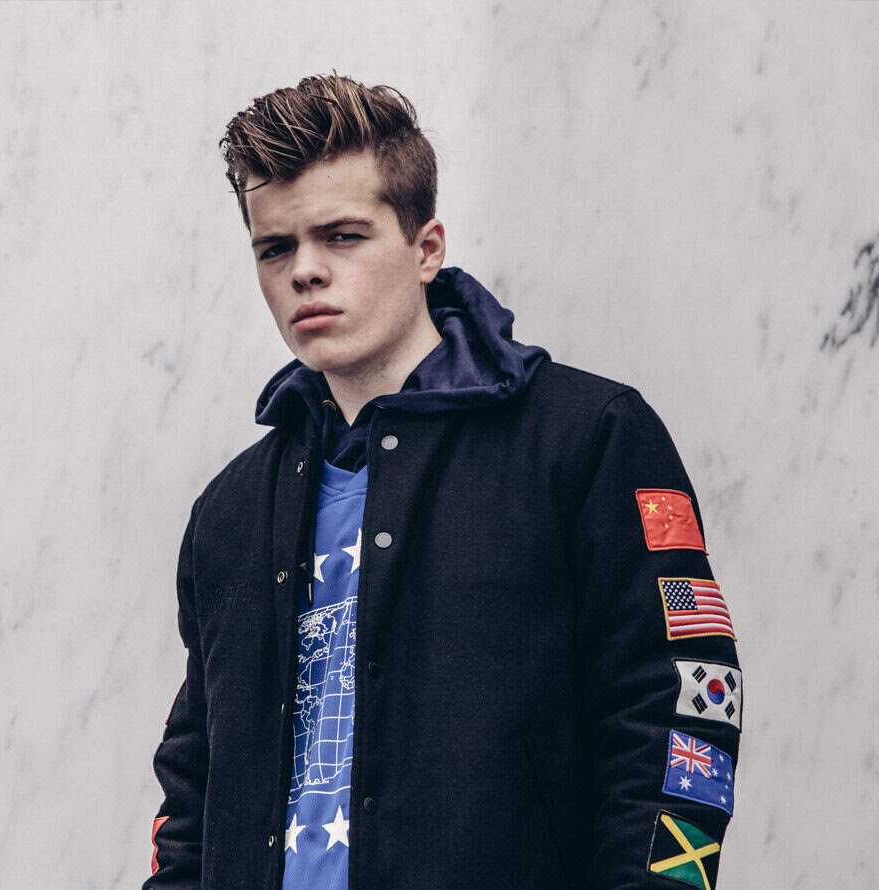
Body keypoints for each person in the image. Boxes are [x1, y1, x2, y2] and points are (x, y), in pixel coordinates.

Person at [145, 73, 742, 890]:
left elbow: (689, 706)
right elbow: (191, 781)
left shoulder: (588, 439)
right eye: (275, 248)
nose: (305, 271)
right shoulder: (230, 511)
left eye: (342, 236)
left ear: (426, 248)